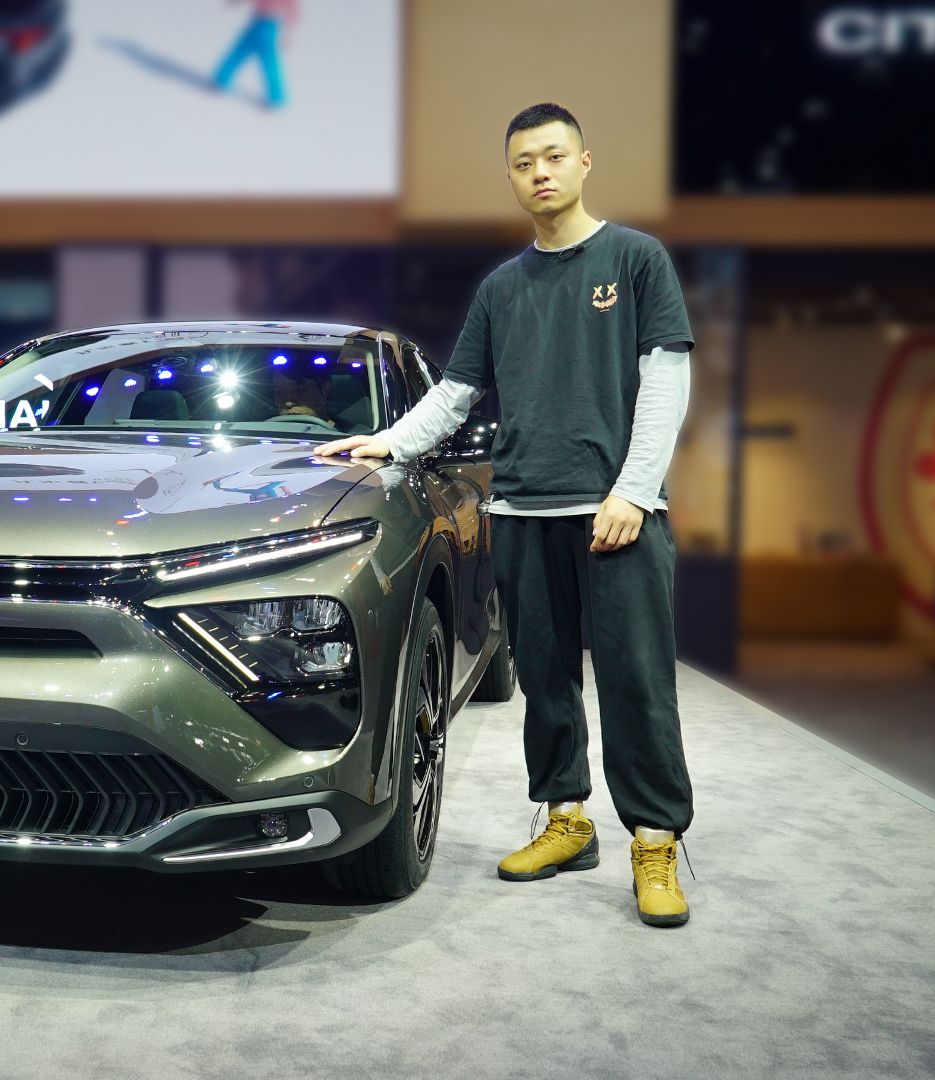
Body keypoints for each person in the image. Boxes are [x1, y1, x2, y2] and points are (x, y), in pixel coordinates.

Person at [315, 103, 697, 928]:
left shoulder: (636, 260)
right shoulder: (502, 288)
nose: (540, 173)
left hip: (617, 512)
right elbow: (456, 393)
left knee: (636, 684)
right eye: (524, 163)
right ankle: (566, 821)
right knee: (545, 680)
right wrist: (389, 443)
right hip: (522, 509)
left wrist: (634, 490)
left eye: (554, 157)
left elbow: (666, 380)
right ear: (512, 176)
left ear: (585, 162)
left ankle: (656, 842)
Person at [214, 0, 297, 109]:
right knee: (242, 52)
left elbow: (293, 10)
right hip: (258, 24)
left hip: (268, 26)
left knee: (269, 61)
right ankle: (221, 79)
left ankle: (277, 97)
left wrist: (289, 34)